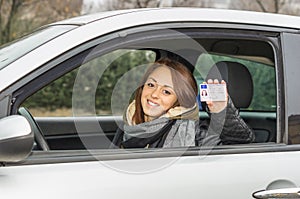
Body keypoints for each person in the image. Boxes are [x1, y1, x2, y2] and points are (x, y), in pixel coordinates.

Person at [111, 57, 254, 148]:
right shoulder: (129, 121)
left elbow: (241, 145)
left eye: (166, 91)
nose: (154, 94)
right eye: (151, 85)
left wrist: (221, 111)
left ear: (178, 101)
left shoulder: (189, 133)